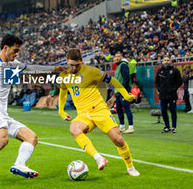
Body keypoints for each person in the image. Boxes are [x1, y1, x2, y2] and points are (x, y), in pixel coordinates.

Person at [0, 34, 62, 186]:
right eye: (15, 51)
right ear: (5, 48)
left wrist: (54, 68)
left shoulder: (13, 64)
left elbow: (31, 68)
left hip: (2, 112)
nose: (17, 54)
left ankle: (19, 164)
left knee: (31, 138)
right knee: (2, 139)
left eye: (18, 51)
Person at [58, 48, 140, 177]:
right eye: (71, 65)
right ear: (67, 61)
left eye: (76, 65)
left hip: (100, 110)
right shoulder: (64, 75)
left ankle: (130, 167)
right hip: (84, 114)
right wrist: (61, 111)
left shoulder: (91, 72)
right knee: (74, 128)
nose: (73, 68)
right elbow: (63, 92)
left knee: (118, 139)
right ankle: (98, 158)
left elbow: (113, 80)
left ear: (81, 61)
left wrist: (126, 95)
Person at [155, 57, 182, 133]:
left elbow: (179, 81)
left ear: (170, 61)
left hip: (172, 95)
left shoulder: (175, 70)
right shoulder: (160, 70)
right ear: (162, 61)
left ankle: (174, 127)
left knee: (173, 110)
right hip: (162, 95)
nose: (166, 62)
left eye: (167, 60)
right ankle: (167, 127)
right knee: (163, 111)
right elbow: (156, 82)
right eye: (165, 60)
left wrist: (174, 89)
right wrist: (159, 89)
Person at [114, 53, 134, 134]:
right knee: (118, 109)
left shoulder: (123, 65)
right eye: (116, 56)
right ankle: (121, 126)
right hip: (117, 91)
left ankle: (131, 127)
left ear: (122, 57)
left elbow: (126, 77)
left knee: (126, 108)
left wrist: (123, 89)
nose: (117, 58)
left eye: (119, 56)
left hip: (123, 90)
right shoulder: (118, 66)